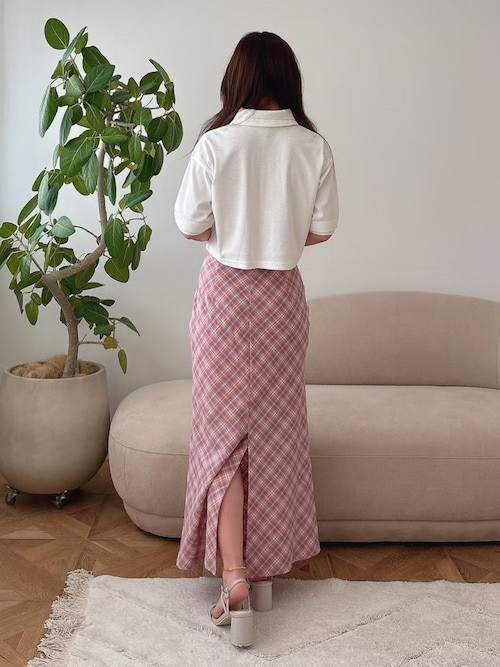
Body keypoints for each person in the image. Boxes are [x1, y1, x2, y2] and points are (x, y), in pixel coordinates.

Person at [173, 30, 339, 646]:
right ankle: (263, 575)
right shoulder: (313, 146)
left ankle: (236, 576)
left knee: (222, 438)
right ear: (289, 79)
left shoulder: (216, 144)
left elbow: (188, 223)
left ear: (236, 79)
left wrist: (231, 225)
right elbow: (322, 231)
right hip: (281, 301)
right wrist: (279, 227)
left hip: (224, 296)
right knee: (272, 433)